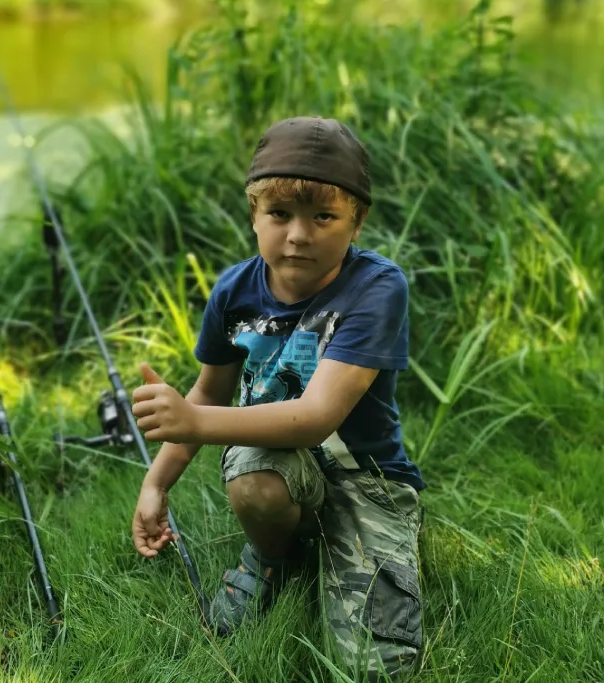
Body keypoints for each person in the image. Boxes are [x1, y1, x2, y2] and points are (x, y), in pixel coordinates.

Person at [130, 116, 426, 680]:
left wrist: (192, 420)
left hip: (368, 478)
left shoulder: (377, 288)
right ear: (254, 216)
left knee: (373, 667)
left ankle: (366, 543)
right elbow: (208, 391)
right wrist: (155, 483)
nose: (298, 234)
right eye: (279, 214)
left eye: (323, 216)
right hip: (275, 462)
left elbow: (314, 418)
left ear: (356, 222)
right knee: (251, 466)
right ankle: (272, 558)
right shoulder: (234, 291)